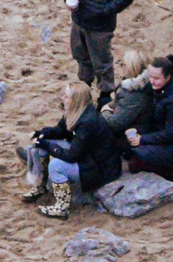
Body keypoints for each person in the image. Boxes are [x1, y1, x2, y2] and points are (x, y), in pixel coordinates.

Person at [22, 81, 126, 219]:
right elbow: (61, 131)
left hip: (100, 169)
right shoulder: (77, 112)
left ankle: (62, 207)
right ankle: (40, 186)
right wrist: (42, 133)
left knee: (56, 165)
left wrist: (47, 145)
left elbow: (72, 156)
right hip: (88, 157)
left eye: (66, 96)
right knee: (40, 146)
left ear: (75, 101)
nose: (62, 98)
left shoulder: (87, 122)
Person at [122, 55, 173, 182]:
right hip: (165, 138)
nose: (151, 81)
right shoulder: (161, 90)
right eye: (150, 77)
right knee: (129, 150)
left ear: (168, 77)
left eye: (156, 78)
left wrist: (143, 139)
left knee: (135, 164)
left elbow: (171, 133)